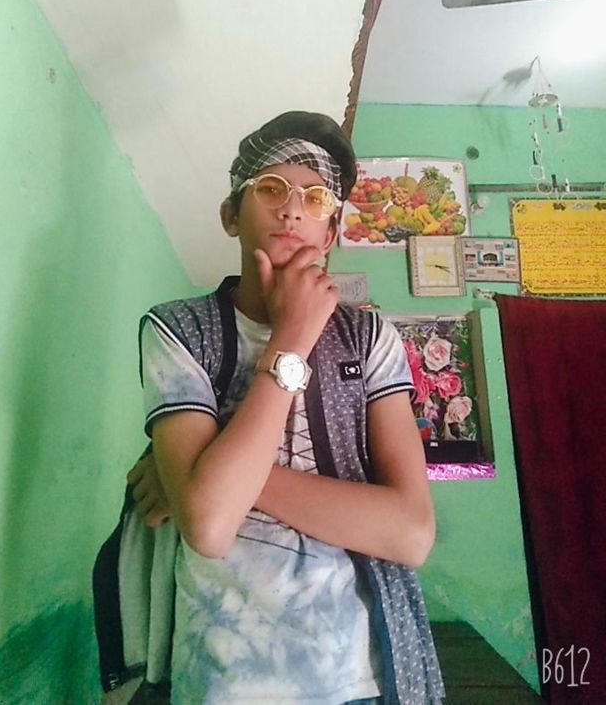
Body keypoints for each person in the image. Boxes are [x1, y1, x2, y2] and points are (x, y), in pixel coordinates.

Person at [94, 111, 444, 705]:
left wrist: (201, 475)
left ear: (330, 233)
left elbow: (410, 534)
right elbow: (208, 527)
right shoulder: (179, 329)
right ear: (231, 214)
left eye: (315, 198)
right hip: (223, 674)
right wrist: (292, 340)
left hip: (357, 676)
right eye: (271, 189)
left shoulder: (369, 339)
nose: (292, 211)